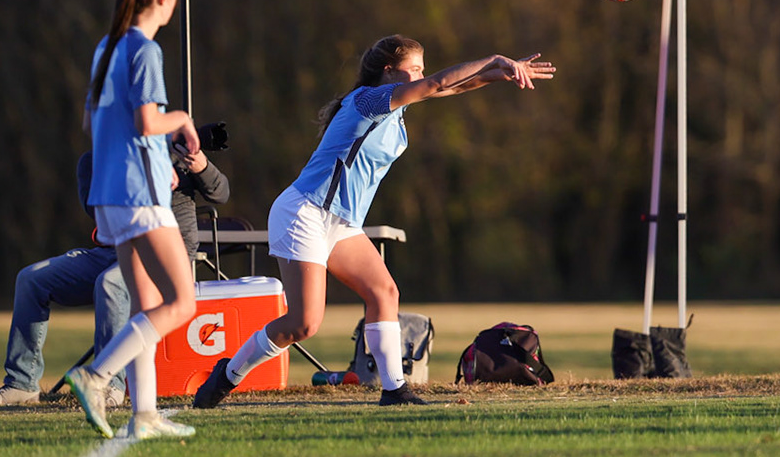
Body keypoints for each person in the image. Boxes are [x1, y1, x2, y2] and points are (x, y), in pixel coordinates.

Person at [193, 35, 553, 410]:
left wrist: (504, 72)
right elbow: (438, 84)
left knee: (384, 294)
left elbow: (455, 86)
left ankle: (394, 390)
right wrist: (494, 57)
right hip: (305, 213)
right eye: (414, 68)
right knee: (303, 324)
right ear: (388, 72)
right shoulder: (368, 100)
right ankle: (226, 376)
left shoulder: (396, 106)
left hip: (340, 222)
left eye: (421, 68)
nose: (421, 75)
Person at [0, 130, 229, 407]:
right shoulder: (92, 163)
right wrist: (143, 176)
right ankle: (22, 384)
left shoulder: (174, 157)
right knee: (30, 279)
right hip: (115, 251)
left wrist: (202, 166)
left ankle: (109, 386)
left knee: (111, 283)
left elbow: (221, 193)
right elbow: (98, 212)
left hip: (167, 255)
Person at [61, 0, 203, 440]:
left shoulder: (106, 46)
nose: (174, 7)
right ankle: (95, 375)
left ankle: (144, 415)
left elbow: (90, 123)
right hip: (139, 193)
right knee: (182, 302)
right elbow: (148, 122)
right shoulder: (145, 50)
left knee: (146, 307)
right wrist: (181, 118)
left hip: (109, 191)